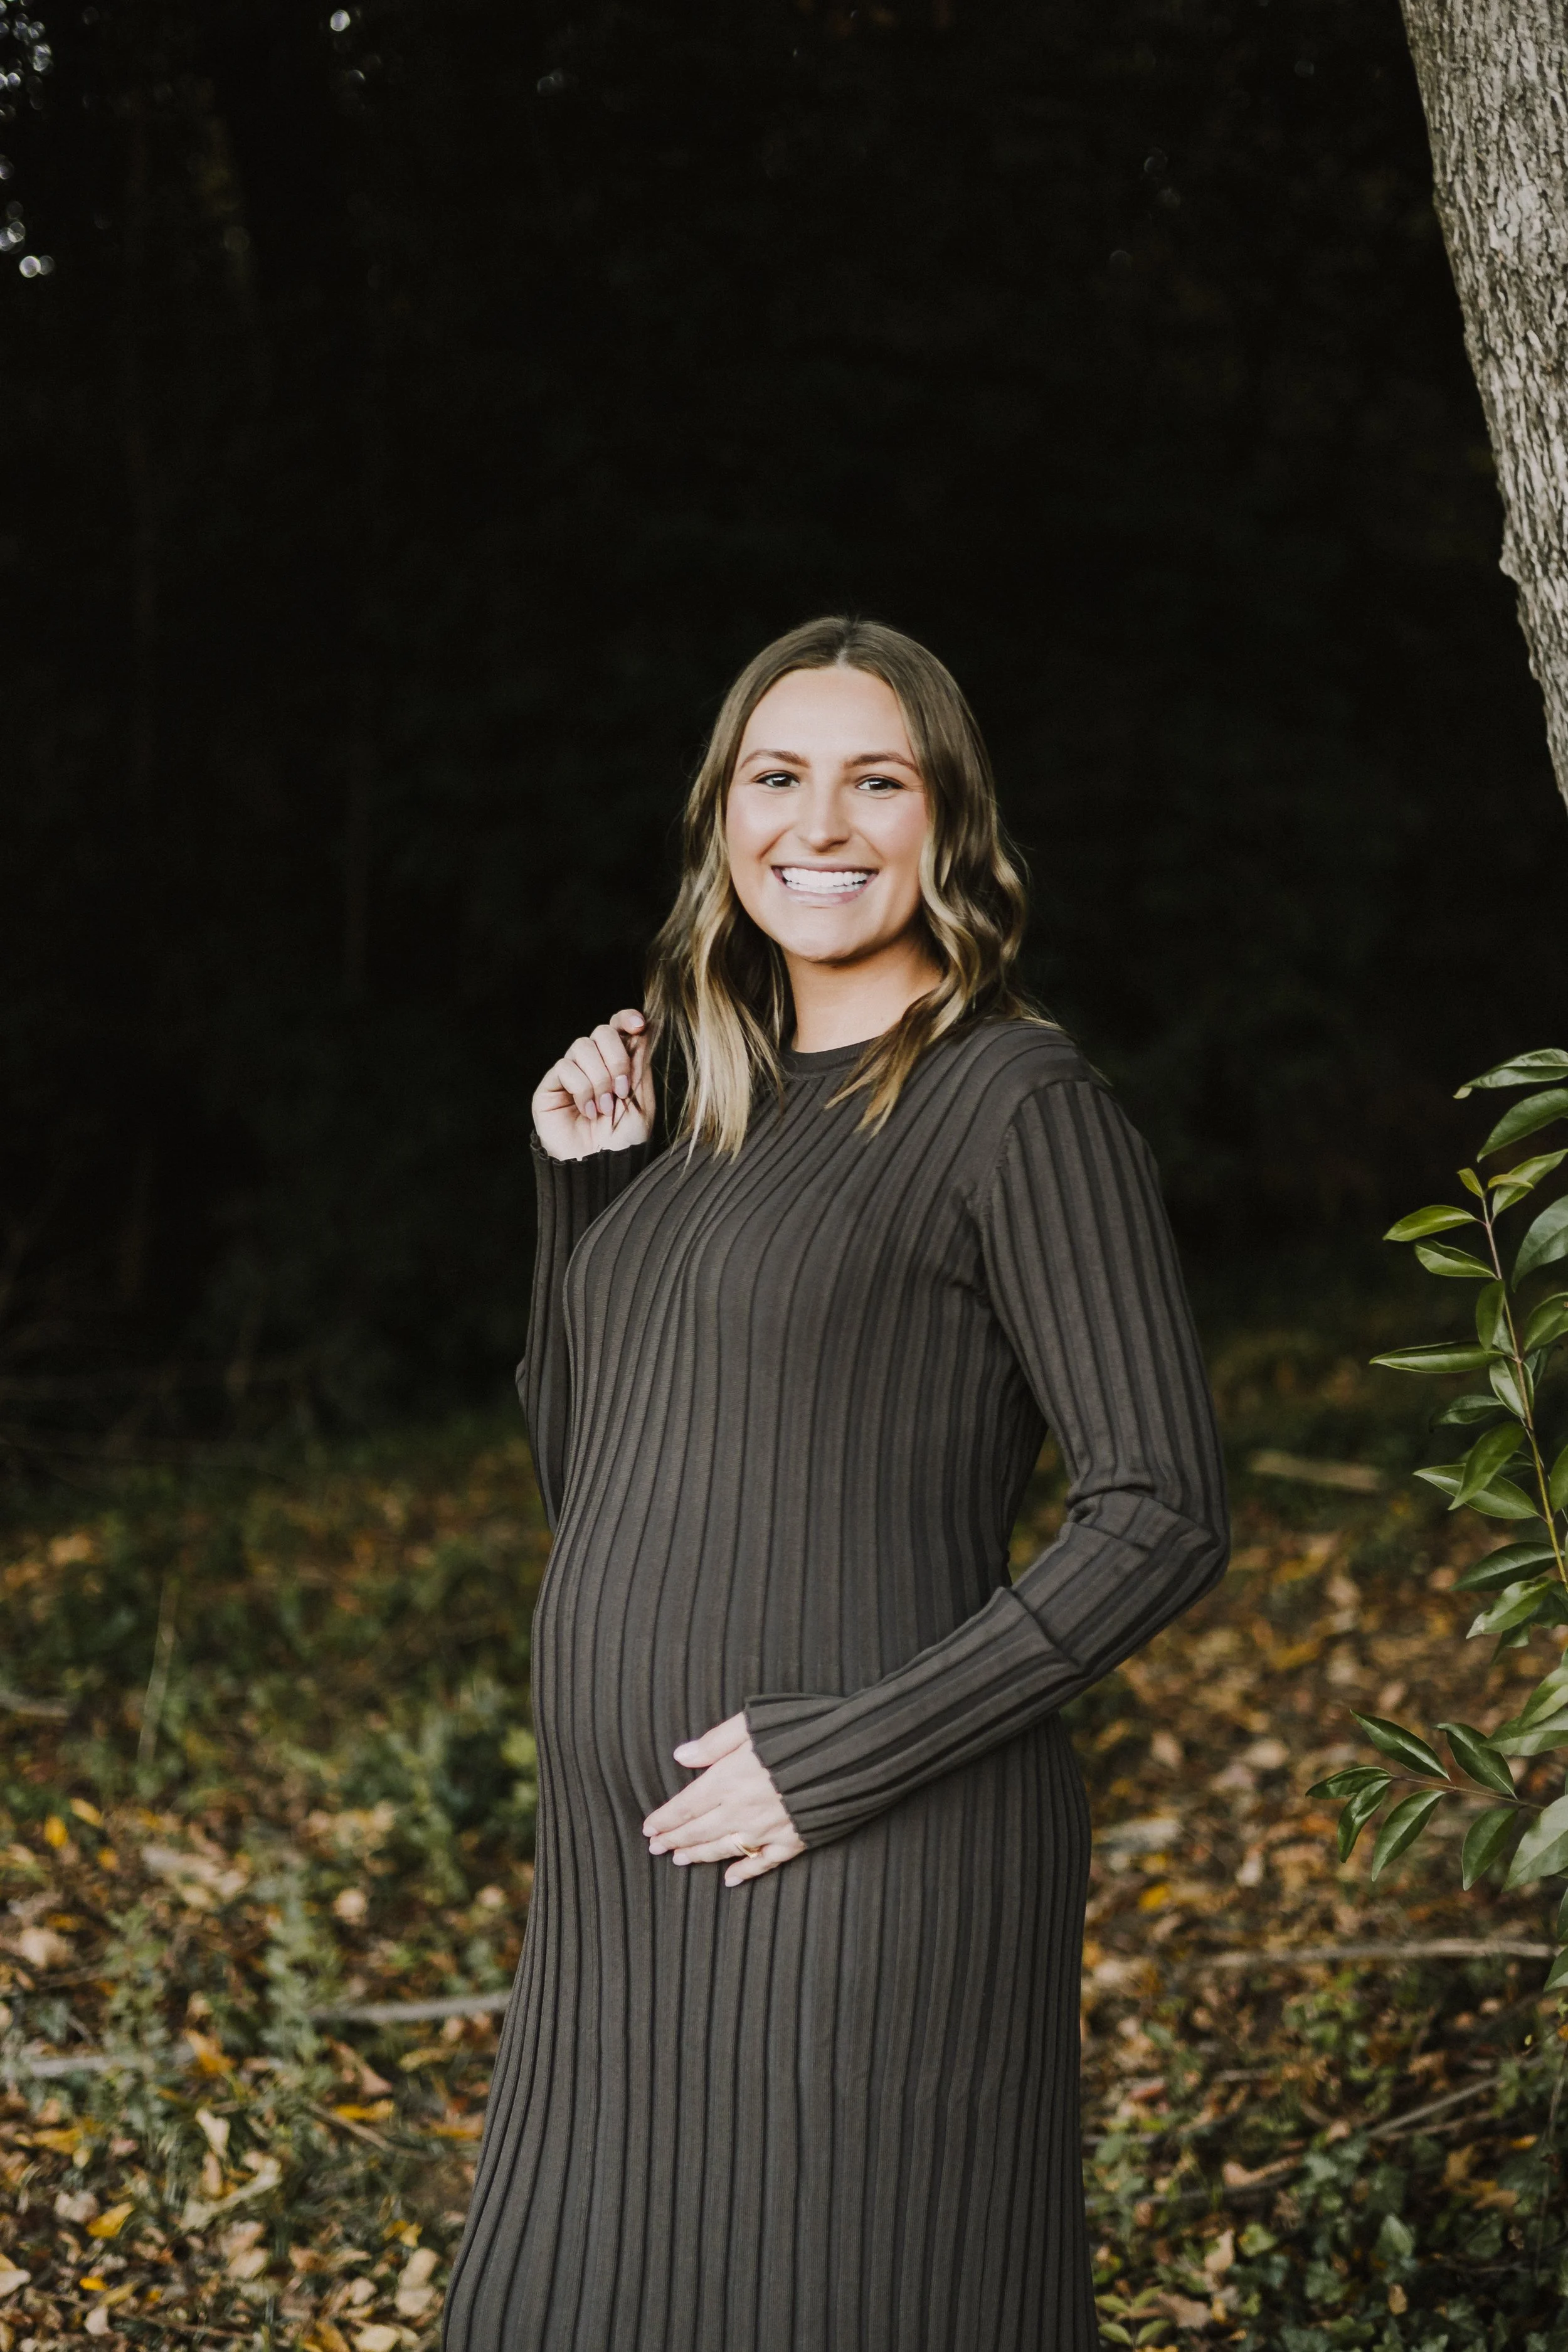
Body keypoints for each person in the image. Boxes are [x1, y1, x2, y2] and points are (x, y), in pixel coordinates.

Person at [443, 617, 1229, 2352]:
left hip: (869, 1857)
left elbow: (1162, 1509)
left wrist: (841, 1759)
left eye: (878, 780)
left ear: (951, 822)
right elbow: (596, 1477)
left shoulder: (1014, 1103)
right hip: (630, 1882)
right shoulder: (712, 1119)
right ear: (722, 817)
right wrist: (585, 1187)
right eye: (776, 777)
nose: (821, 824)